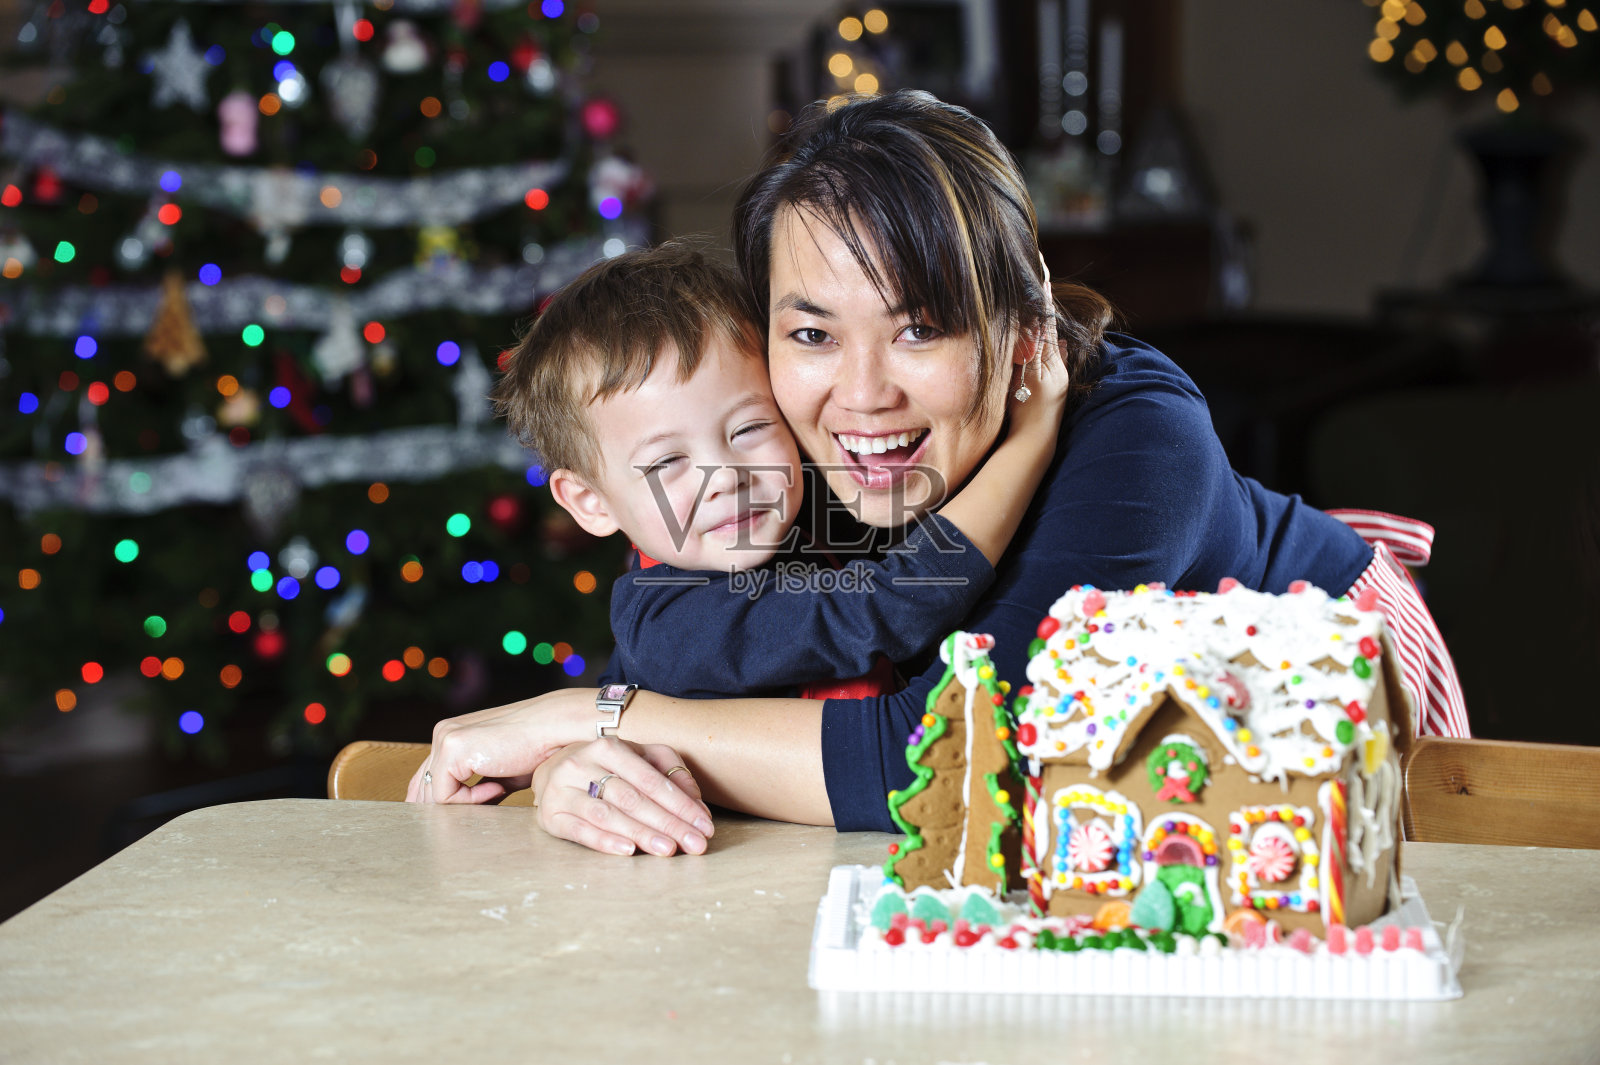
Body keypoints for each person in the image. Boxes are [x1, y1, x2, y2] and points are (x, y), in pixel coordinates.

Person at [406, 90, 1470, 858]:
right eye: (813, 331)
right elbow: (712, 656)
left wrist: (585, 720)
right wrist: (592, 773)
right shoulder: (765, 429)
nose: (862, 395)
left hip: (1307, 705)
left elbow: (948, 757)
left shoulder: (1138, 443)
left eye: (920, 328)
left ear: (1017, 324)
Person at [491, 239, 1067, 706]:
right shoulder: (669, 623)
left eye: (747, 430)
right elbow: (891, 605)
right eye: (667, 461)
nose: (726, 477)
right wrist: (1033, 432)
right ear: (591, 502)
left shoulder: (816, 510)